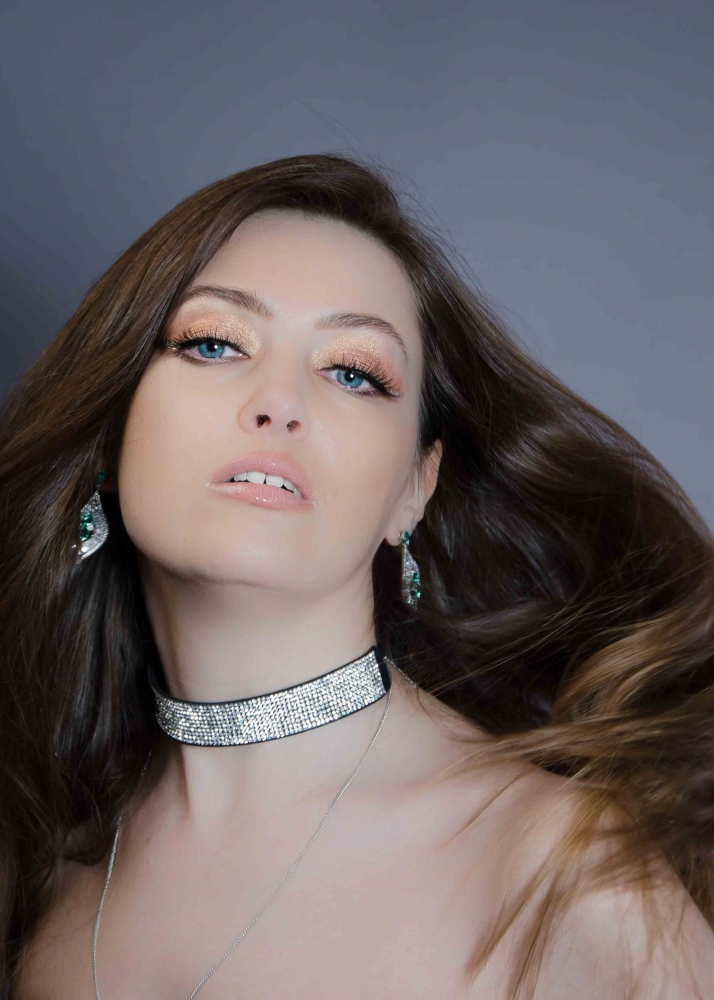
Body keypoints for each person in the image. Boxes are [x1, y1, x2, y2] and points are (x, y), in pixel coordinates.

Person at [1, 154, 712, 1000]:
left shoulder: (562, 873)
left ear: (415, 489)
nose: (278, 402)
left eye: (353, 373)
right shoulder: (47, 872)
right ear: (112, 433)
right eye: (213, 343)